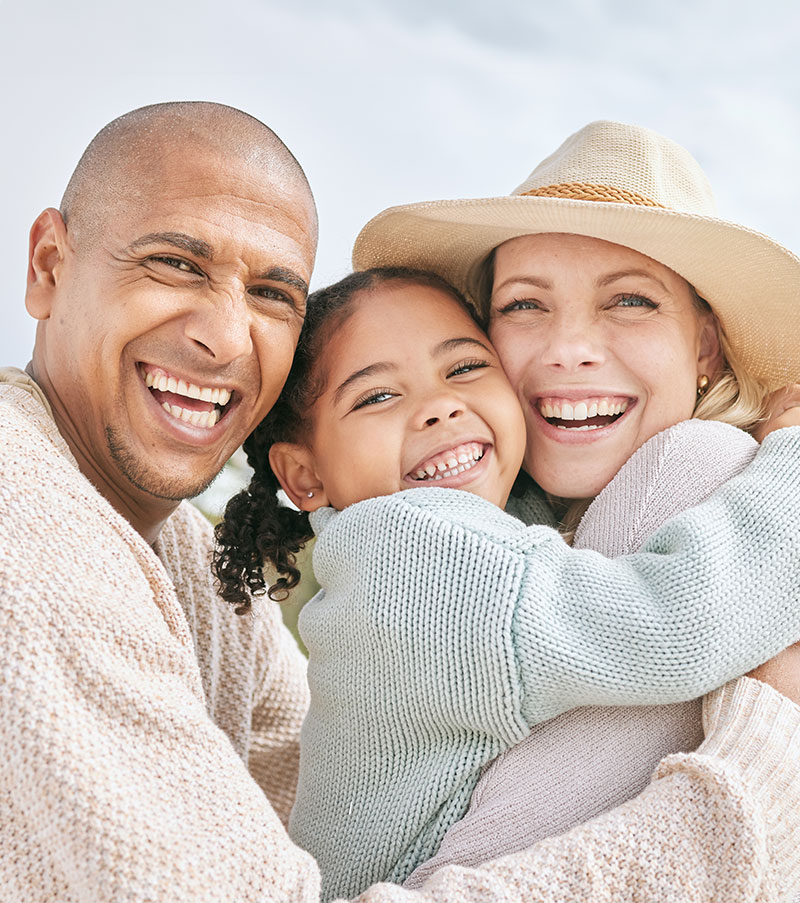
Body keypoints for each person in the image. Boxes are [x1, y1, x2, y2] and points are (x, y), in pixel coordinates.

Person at [1, 101, 800, 903]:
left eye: (273, 292)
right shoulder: (32, 538)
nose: (226, 336)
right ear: (47, 267)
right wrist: (756, 775)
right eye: (175, 263)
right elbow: (671, 622)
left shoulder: (187, 564)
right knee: (705, 466)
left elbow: (288, 784)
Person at [213, 249, 800, 899]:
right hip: (432, 879)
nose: (440, 407)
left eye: (466, 368)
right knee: (704, 460)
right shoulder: (404, 551)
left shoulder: (497, 517)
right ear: (304, 475)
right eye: (377, 396)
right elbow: (676, 626)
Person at [350, 119, 800, 889]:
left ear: (705, 347)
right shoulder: (448, 523)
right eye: (525, 305)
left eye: (629, 300)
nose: (567, 348)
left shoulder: (715, 479)